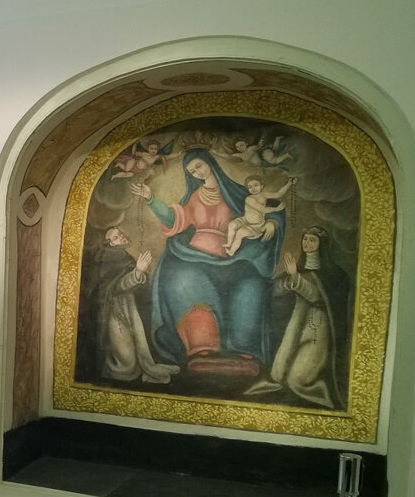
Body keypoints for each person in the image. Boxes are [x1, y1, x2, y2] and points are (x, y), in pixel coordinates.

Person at [129, 148, 285, 374]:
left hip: (233, 258)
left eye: (199, 166)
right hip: (194, 256)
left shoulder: (239, 194)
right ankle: (203, 350)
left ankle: (243, 352)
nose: (197, 173)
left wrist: (272, 223)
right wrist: (150, 198)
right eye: (192, 171)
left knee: (252, 283)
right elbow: (174, 219)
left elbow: (270, 208)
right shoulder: (195, 197)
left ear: (209, 162)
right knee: (181, 278)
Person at [245, 226, 351, 409]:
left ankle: (320, 390)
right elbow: (276, 290)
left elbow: (315, 296)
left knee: (297, 380)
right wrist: (289, 280)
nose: (307, 243)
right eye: (305, 239)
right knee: (278, 374)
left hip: (318, 331)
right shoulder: (298, 268)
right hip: (295, 327)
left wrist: (295, 277)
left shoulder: (333, 275)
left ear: (321, 244)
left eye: (312, 240)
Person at [76, 227, 179, 384]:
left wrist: (140, 273)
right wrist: (137, 272)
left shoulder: (124, 257)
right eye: (117, 237)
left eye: (120, 234)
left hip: (129, 307)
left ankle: (147, 368)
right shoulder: (106, 260)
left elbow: (130, 284)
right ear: (110, 243)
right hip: (113, 311)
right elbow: (117, 285)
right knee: (126, 363)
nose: (122, 237)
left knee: (139, 344)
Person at [224, 175, 297, 255]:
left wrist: (289, 184)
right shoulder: (249, 199)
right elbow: (262, 209)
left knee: (240, 233)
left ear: (261, 186)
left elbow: (278, 194)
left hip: (257, 225)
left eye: (256, 185)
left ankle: (231, 252)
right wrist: (276, 209)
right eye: (250, 187)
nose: (253, 188)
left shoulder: (264, 195)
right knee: (232, 224)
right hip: (244, 220)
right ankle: (229, 243)